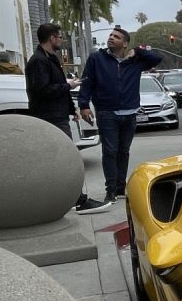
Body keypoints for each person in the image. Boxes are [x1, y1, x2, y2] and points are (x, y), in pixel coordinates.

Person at [25, 23, 110, 213]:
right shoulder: (38, 61)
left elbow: (57, 84)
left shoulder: (51, 59)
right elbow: (43, 90)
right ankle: (78, 200)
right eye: (60, 37)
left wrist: (72, 108)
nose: (61, 41)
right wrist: (69, 86)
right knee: (66, 159)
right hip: (49, 117)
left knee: (62, 158)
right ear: (52, 38)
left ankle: (72, 198)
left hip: (59, 114)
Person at [77, 26, 162, 203]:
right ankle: (111, 190)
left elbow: (157, 58)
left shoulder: (136, 61)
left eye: (116, 37)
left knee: (123, 151)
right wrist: (84, 105)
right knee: (110, 151)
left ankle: (120, 187)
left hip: (130, 113)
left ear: (124, 44)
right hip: (107, 113)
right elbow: (87, 82)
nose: (111, 38)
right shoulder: (97, 58)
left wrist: (136, 51)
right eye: (111, 35)